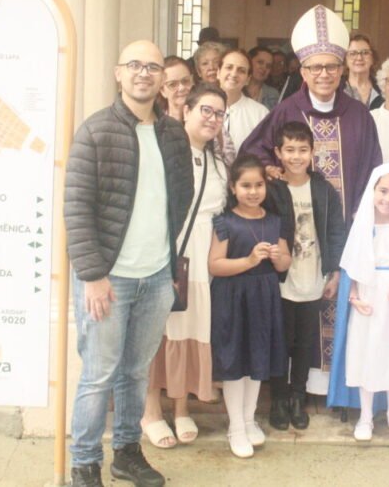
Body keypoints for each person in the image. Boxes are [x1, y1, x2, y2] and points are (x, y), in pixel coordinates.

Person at [64, 41, 194, 487]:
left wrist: (167, 259)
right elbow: (76, 209)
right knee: (99, 375)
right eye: (135, 65)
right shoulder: (96, 131)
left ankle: (125, 453)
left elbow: (182, 193)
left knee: (136, 373)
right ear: (118, 74)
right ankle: (83, 464)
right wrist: (94, 276)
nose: (144, 73)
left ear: (163, 78)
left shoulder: (173, 134)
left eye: (153, 67)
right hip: (110, 280)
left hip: (156, 276)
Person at [240, 5, 383, 395]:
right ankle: (292, 390)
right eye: (316, 67)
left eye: (331, 66)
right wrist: (272, 171)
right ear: (302, 71)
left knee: (336, 304)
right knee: (296, 316)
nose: (324, 74)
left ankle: (334, 387)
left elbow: (374, 169)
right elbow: (254, 154)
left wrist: (361, 218)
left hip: (342, 235)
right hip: (299, 239)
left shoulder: (359, 116)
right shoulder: (287, 110)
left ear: (342, 69)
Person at [143, 85, 229, 449]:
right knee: (156, 334)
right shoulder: (163, 154)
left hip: (200, 268)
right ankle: (150, 411)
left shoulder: (219, 164)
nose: (212, 119)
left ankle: (180, 408)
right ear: (185, 111)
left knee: (189, 332)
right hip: (165, 256)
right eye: (205, 110)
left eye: (219, 114)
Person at [328, 164, 389, 441]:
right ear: (373, 190)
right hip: (368, 299)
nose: (388, 198)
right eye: (383, 191)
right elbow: (353, 265)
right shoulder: (363, 225)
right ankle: (366, 416)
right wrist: (354, 297)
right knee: (365, 354)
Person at [263, 121, 348, 431]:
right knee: (280, 342)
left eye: (302, 150)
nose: (296, 157)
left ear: (313, 152)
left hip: (313, 278)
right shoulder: (271, 189)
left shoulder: (323, 189)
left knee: (304, 343)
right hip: (281, 280)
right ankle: (278, 399)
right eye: (289, 150)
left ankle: (298, 396)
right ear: (278, 153)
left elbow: (337, 230)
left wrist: (334, 271)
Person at [208, 154, 293, 458]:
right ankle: (235, 426)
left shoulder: (274, 221)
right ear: (233, 187)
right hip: (232, 297)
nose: (253, 191)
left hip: (264, 296)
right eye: (246, 185)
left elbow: (285, 260)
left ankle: (248, 418)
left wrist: (275, 257)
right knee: (234, 361)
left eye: (258, 185)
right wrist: (249, 260)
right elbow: (215, 265)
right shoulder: (224, 221)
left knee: (258, 358)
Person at [218, 49, 269, 164]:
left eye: (241, 71)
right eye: (229, 67)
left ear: (248, 79)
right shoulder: (202, 107)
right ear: (218, 72)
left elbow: (265, 155)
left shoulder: (260, 113)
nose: (234, 74)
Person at [342, 34, 383, 109]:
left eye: (365, 53)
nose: (359, 58)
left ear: (373, 58)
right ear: (345, 59)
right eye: (353, 53)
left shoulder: (383, 89)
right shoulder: (336, 88)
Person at [157, 55, 194, 121]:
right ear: (162, 91)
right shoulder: (156, 124)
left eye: (185, 81)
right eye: (173, 84)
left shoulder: (203, 119)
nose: (181, 88)